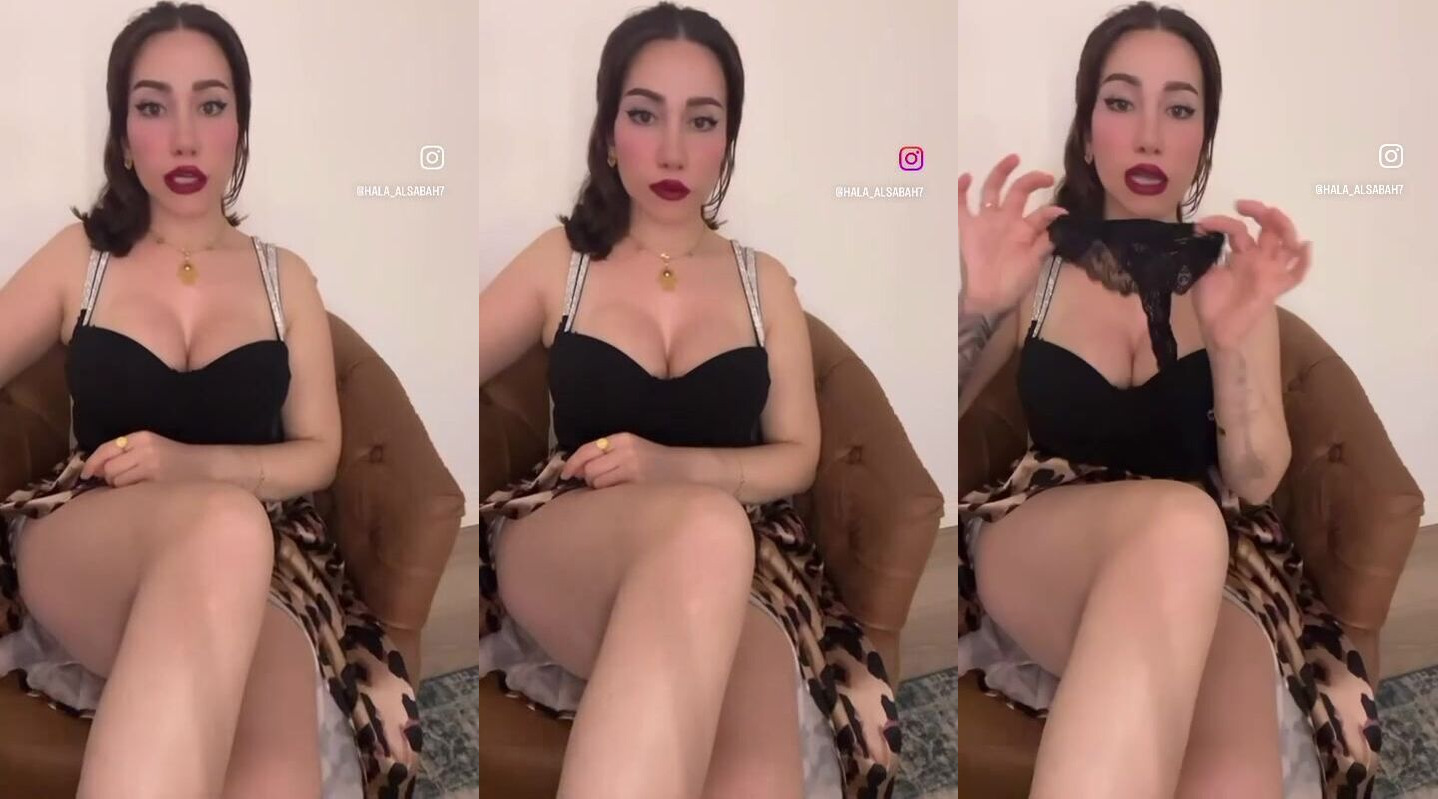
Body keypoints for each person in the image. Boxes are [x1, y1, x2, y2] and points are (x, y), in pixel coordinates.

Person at [476, 4, 900, 797]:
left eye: (701, 121)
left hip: (739, 554)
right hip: (572, 528)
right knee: (708, 528)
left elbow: (799, 455)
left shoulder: (763, 281)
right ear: (609, 133)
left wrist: (672, 467)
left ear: (728, 140)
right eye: (645, 115)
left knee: (754, 766)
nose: (673, 150)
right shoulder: (561, 259)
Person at [954, 3, 1373, 798]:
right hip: (1045, 531)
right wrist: (975, 305)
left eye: (1178, 109)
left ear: (1203, 141)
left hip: (1209, 556)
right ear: (1087, 132)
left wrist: (1232, 347)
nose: (1148, 136)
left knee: (1230, 775)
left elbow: (1254, 478)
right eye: (1121, 102)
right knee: (1181, 520)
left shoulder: (1231, 280)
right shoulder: (1037, 263)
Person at [0, 4, 418, 796]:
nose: (185, 137)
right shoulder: (81, 257)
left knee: (274, 761)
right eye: (153, 106)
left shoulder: (284, 277)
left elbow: (320, 452)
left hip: (259, 558)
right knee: (226, 523)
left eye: (211, 104)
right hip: (92, 532)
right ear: (125, 135)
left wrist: (193, 465)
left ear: (240, 127)